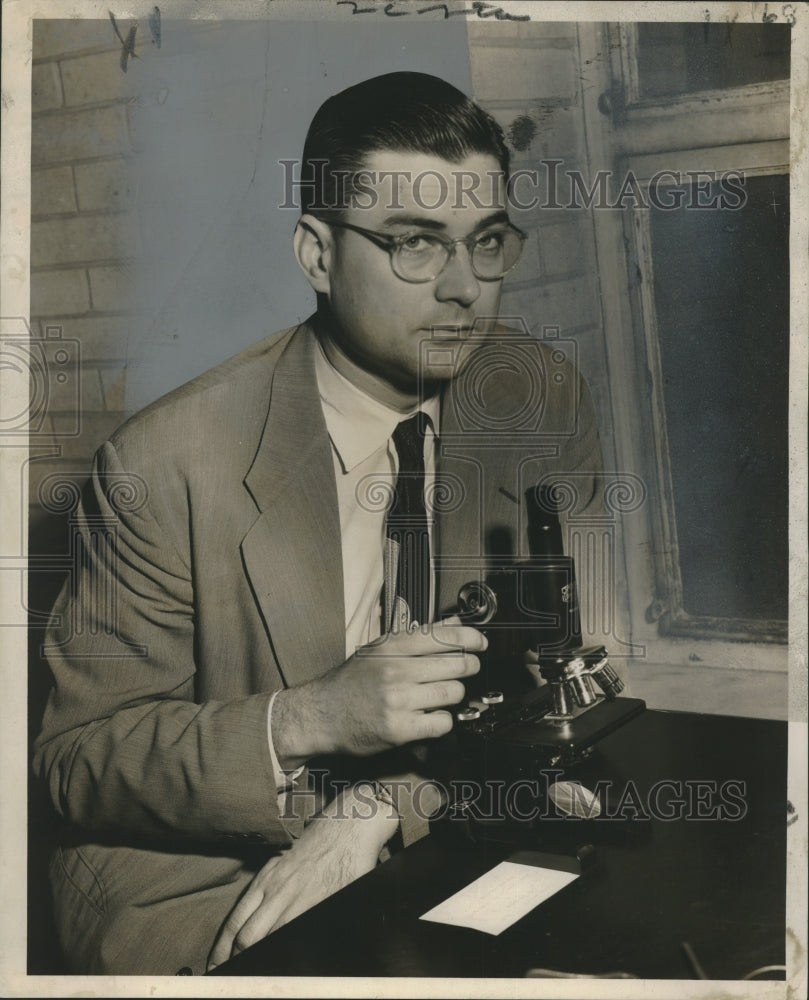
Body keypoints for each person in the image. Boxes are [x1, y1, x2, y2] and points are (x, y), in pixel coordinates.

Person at [32, 71, 605, 976]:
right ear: (315, 253)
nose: (463, 288)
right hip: (208, 877)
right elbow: (75, 762)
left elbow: (550, 695)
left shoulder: (539, 400)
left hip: (442, 825)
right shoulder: (167, 461)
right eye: (414, 245)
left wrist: (382, 807)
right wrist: (310, 717)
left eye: (485, 241)